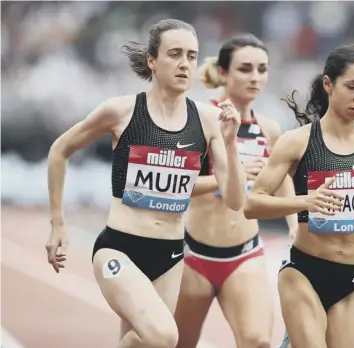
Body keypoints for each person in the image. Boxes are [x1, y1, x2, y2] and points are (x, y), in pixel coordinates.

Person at [45, 19, 247, 348]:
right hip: (120, 248)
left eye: (192, 56)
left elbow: (236, 201)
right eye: (175, 54)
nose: (185, 64)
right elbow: (59, 151)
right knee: (165, 337)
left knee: (144, 342)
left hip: (169, 256)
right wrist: (57, 224)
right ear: (152, 61)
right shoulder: (121, 111)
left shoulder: (208, 120)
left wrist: (231, 141)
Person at [244, 44, 354, 348]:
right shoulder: (297, 143)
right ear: (328, 84)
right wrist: (305, 201)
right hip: (304, 274)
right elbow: (253, 205)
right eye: (352, 86)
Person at [174, 33, 297, 348]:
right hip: (192, 255)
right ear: (224, 73)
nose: (255, 77)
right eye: (245, 69)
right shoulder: (198, 118)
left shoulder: (269, 129)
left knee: (258, 341)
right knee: (176, 343)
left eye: (262, 69)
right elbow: (176, 186)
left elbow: (281, 178)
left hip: (245, 254)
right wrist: (231, 177)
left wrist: (295, 227)